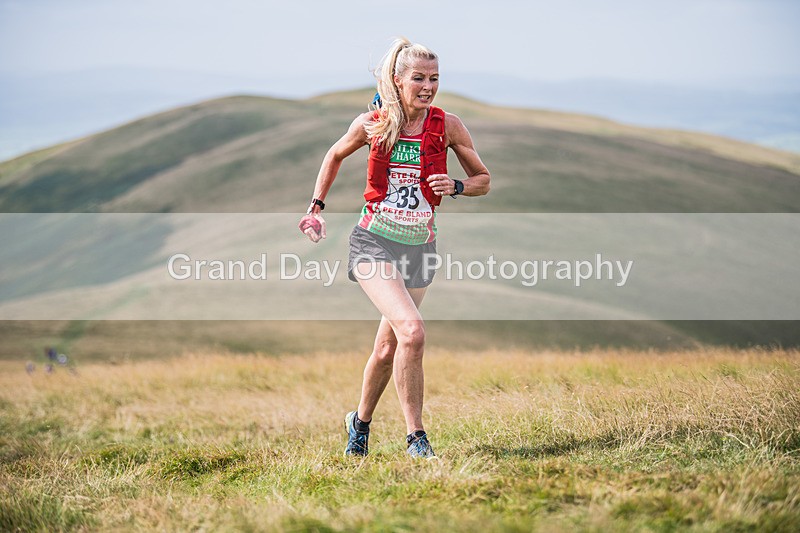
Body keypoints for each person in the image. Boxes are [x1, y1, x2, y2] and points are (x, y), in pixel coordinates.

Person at [298, 37, 490, 459]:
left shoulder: (449, 125)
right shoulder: (374, 122)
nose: (428, 86)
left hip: (420, 246)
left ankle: (359, 423)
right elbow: (334, 155)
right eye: (418, 78)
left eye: (435, 78)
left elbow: (483, 180)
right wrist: (316, 207)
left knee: (388, 347)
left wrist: (456, 185)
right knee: (413, 332)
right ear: (397, 80)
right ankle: (416, 438)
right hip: (373, 242)